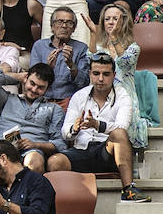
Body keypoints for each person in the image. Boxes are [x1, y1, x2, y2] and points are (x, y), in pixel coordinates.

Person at [50, 53, 151, 201]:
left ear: (114, 75)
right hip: (81, 150)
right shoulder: (79, 96)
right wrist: (74, 129)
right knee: (54, 162)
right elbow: (65, 132)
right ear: (90, 74)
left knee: (120, 134)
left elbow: (122, 126)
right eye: (96, 73)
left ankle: (129, 189)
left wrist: (98, 125)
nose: (101, 79)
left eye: (106, 74)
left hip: (107, 152)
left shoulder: (122, 95)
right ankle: (64, 202)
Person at [0, 64, 65, 185]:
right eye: (32, 83)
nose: (34, 89)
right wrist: (18, 77)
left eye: (41, 87)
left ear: (47, 89)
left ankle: (24, 204)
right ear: (25, 79)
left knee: (34, 161)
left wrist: (35, 144)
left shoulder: (54, 109)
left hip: (30, 151)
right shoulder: (7, 99)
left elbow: (60, 144)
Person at [84, 0, 153, 149]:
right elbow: (90, 60)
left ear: (124, 21)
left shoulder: (133, 47)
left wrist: (114, 38)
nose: (110, 22)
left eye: (115, 19)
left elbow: (125, 63)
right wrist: (93, 34)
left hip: (124, 95)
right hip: (100, 93)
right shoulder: (100, 46)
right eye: (107, 19)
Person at [22, 7, 88, 103]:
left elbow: (84, 83)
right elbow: (32, 79)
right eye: (60, 21)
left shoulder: (81, 48)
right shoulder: (39, 46)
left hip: (68, 100)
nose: (64, 26)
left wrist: (71, 65)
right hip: (42, 99)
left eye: (69, 23)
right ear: (52, 26)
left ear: (73, 28)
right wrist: (47, 67)